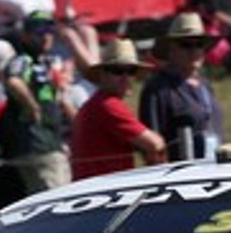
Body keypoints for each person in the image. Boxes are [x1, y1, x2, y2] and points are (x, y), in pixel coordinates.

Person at [0, 11, 74, 193]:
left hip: (52, 142)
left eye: (49, 30)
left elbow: (61, 99)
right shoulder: (23, 60)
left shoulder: (49, 63)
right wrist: (32, 105)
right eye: (39, 30)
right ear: (25, 35)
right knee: (56, 198)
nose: (46, 35)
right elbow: (14, 81)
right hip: (36, 143)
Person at [70, 39, 165, 180]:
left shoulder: (98, 102)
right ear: (102, 74)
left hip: (98, 187)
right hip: (104, 190)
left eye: (131, 71)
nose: (125, 78)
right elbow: (154, 144)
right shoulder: (108, 105)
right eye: (117, 71)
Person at [139, 12, 225, 162]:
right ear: (171, 50)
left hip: (214, 168)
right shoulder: (157, 88)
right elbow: (152, 148)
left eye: (199, 44)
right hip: (181, 177)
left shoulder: (205, 85)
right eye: (186, 45)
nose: (194, 51)